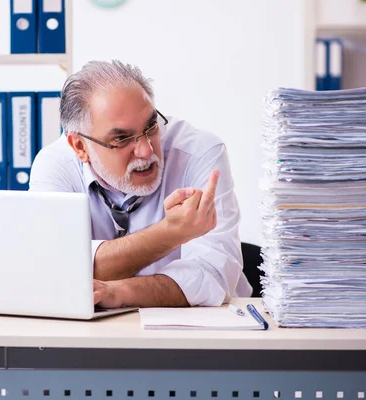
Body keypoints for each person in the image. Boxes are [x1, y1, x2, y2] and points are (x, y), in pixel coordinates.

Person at [30, 60, 253, 309]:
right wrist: (170, 233)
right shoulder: (55, 165)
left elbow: (213, 275)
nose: (146, 150)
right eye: (122, 138)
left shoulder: (198, 153)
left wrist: (118, 292)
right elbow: (56, 269)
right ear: (80, 147)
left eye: (151, 126)